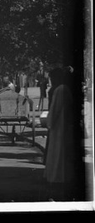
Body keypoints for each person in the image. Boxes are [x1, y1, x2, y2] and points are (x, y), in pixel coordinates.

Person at [44, 67, 76, 197]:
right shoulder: (64, 89)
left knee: (57, 152)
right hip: (63, 124)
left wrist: (49, 123)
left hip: (58, 126)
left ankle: (56, 178)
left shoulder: (59, 90)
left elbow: (55, 110)